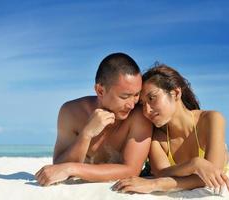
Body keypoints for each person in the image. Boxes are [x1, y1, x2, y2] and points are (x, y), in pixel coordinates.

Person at [35, 53, 152, 186]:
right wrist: (86, 134)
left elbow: (131, 170)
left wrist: (72, 168)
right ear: (100, 91)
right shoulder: (71, 112)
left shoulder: (138, 116)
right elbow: (58, 167)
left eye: (136, 95)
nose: (132, 104)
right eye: (125, 96)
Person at [113, 64, 229, 194]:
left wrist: (155, 184)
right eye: (142, 104)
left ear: (176, 93)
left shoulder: (211, 119)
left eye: (152, 98)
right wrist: (194, 164)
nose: (147, 110)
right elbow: (161, 172)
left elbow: (212, 174)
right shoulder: (157, 136)